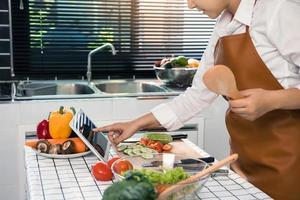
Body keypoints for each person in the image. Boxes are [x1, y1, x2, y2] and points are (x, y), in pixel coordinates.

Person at [94, 0, 300, 199]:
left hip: (289, 163)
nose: (190, 5)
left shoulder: (278, 9)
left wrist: (273, 100)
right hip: (242, 159)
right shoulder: (224, 25)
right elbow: (196, 96)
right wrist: (135, 124)